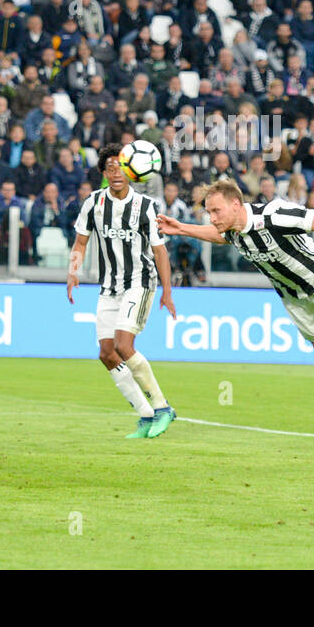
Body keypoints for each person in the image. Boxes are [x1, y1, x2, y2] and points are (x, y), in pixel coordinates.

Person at [158, 178, 314, 456]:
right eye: (209, 213)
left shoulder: (274, 215)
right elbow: (218, 236)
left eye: (216, 211)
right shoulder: (233, 229)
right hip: (292, 296)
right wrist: (180, 228)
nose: (212, 218)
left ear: (236, 205)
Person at [67, 143, 178, 439]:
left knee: (123, 345)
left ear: (131, 171)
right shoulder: (93, 203)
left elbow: (160, 252)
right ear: (104, 173)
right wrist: (73, 271)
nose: (116, 172)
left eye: (121, 167)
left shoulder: (146, 207)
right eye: (110, 168)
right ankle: (145, 414)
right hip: (109, 287)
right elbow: (80, 242)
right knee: (106, 353)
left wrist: (167, 292)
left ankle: (163, 407)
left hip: (140, 283)